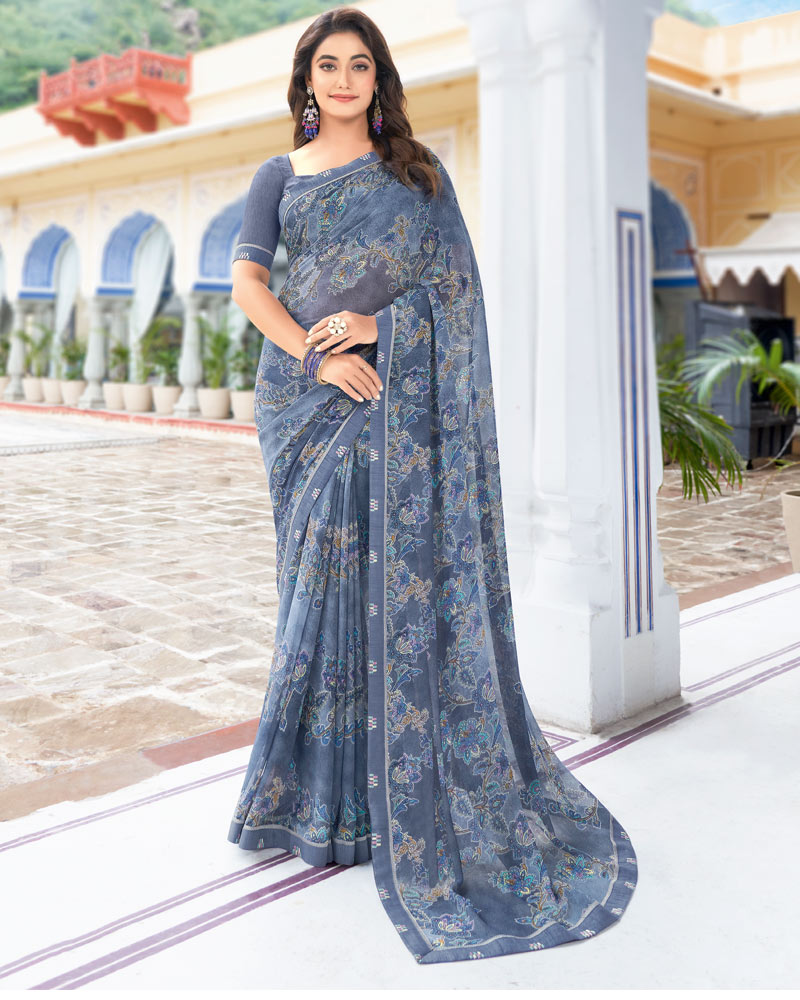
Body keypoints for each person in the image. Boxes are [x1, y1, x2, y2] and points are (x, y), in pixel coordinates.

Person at [226, 5, 638, 966]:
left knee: (392, 593)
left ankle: (387, 803)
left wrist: (381, 331)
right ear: (306, 81)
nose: (342, 79)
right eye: (327, 65)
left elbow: (456, 294)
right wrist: (318, 360)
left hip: (394, 399)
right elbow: (250, 288)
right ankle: (317, 803)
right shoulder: (277, 177)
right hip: (306, 408)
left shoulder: (417, 176)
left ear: (379, 80)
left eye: (358, 65)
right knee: (316, 597)